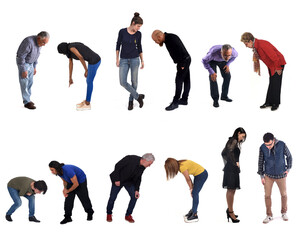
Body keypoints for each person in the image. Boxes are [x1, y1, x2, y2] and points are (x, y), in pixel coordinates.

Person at [241, 32, 286, 111]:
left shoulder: (262, 44)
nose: (246, 46)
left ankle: (275, 103)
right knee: (272, 82)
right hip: (271, 65)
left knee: (276, 83)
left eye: (246, 44)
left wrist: (278, 67)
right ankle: (268, 102)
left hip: (277, 63)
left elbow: (274, 56)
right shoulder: (256, 46)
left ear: (250, 41)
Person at [106, 153, 155, 223]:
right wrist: (117, 179)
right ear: (144, 160)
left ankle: (128, 215)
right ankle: (109, 213)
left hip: (129, 182)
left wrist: (137, 190)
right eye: (149, 163)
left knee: (134, 196)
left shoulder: (143, 167)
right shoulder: (130, 158)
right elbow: (117, 166)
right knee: (112, 197)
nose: (149, 166)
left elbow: (138, 178)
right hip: (119, 180)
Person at [152, 30, 191, 111]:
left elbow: (180, 49)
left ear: (159, 37)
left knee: (179, 81)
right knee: (186, 80)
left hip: (183, 60)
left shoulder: (171, 39)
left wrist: (182, 64)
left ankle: (175, 102)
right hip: (185, 60)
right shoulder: (168, 38)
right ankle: (184, 100)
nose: (156, 42)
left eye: (155, 40)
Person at [258, 133, 292, 224]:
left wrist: (288, 169)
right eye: (266, 145)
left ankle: (284, 212)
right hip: (268, 175)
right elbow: (260, 162)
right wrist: (261, 176)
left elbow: (289, 157)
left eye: (269, 144)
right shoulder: (262, 147)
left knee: (284, 194)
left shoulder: (282, 144)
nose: (268, 147)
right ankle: (269, 215)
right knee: (267, 195)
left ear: (273, 140)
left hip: (281, 175)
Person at [57, 42, 101, 111]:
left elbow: (80, 57)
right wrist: (70, 78)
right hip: (92, 61)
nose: (63, 54)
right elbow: (71, 63)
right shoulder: (69, 51)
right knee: (88, 81)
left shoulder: (71, 48)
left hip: (95, 61)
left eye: (62, 53)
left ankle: (87, 104)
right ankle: (87, 99)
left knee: (89, 81)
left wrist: (86, 70)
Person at [116, 12, 145, 110]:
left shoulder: (139, 34)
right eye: (138, 26)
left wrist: (142, 60)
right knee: (122, 82)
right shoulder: (122, 31)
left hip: (135, 59)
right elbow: (118, 45)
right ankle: (138, 96)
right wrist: (117, 59)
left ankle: (131, 101)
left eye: (140, 27)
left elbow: (139, 47)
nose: (139, 28)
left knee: (134, 82)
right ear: (133, 23)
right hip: (123, 59)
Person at [164, 158, 208, 223]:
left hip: (202, 175)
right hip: (198, 175)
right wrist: (191, 188)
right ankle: (193, 210)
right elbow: (189, 178)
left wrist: (191, 189)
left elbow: (188, 179)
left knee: (195, 193)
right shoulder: (180, 163)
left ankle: (195, 214)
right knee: (194, 193)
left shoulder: (182, 167)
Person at [16, 31, 50, 109]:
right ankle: (26, 102)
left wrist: (34, 66)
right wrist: (23, 69)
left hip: (31, 63)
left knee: (30, 82)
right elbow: (20, 57)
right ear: (38, 38)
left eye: (45, 43)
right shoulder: (28, 42)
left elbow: (36, 55)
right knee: (24, 83)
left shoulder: (39, 43)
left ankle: (28, 99)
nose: (44, 45)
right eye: (43, 43)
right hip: (24, 63)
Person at [221, 127, 246, 223]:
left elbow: (228, 153)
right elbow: (226, 152)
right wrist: (235, 162)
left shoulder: (233, 141)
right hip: (231, 169)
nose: (242, 139)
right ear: (238, 133)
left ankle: (230, 210)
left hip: (232, 169)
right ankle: (230, 212)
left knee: (233, 190)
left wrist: (236, 162)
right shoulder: (233, 140)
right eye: (242, 136)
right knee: (231, 190)